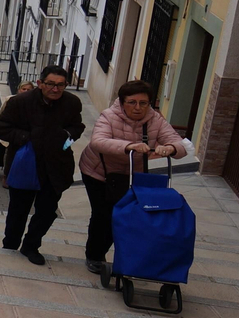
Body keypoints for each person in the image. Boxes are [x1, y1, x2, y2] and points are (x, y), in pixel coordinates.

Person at [79, 80, 186, 276]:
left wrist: (170, 148)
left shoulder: (156, 120)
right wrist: (128, 146)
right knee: (103, 214)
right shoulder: (109, 116)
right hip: (98, 173)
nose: (138, 108)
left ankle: (125, 256)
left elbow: (179, 144)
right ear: (122, 102)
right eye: (132, 102)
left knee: (123, 215)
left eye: (143, 103)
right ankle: (94, 255)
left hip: (130, 176)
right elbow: (98, 141)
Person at [0, 64, 85, 266]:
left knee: (46, 211)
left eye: (61, 85)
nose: (55, 89)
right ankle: (10, 244)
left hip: (55, 167)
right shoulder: (20, 102)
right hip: (25, 163)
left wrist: (65, 137)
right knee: (18, 210)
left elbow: (77, 127)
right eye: (51, 84)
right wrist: (27, 138)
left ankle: (31, 246)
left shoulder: (71, 103)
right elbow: (0, 128)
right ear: (40, 83)